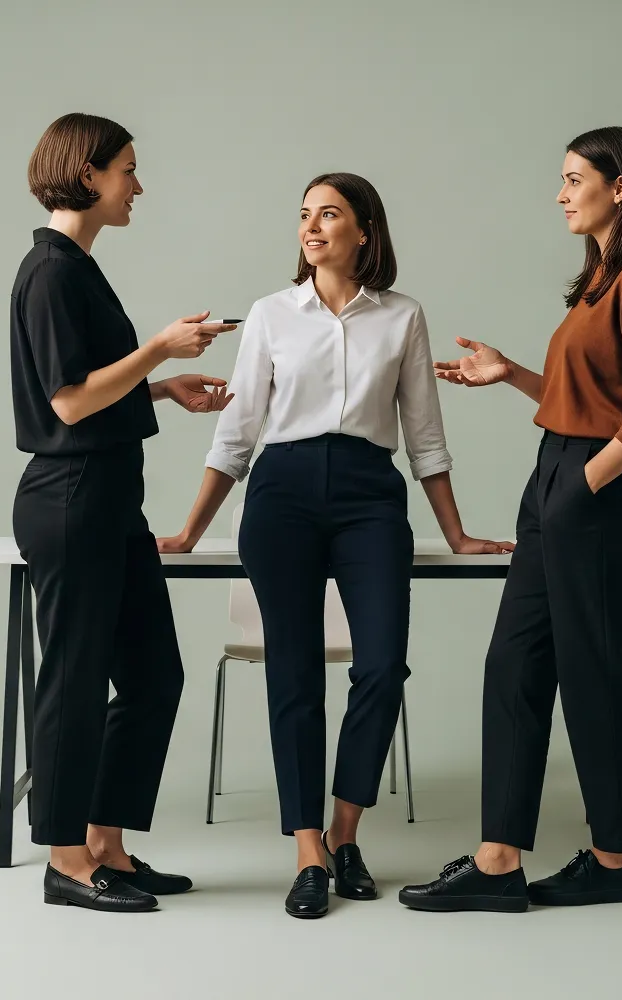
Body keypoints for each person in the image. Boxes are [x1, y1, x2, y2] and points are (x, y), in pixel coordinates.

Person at [157, 172, 512, 919]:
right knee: (293, 672)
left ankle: (347, 833)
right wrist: (191, 528)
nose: (312, 227)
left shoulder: (403, 317)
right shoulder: (269, 315)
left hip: (367, 495)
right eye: (305, 215)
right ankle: (308, 849)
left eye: (330, 214)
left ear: (365, 231)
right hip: (281, 492)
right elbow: (239, 430)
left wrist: (455, 531)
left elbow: (424, 436)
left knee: (382, 665)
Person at [400, 126, 622, 912]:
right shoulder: (599, 280)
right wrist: (512, 374)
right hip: (555, 477)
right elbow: (588, 399)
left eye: (572, 179)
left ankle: (614, 859)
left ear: (618, 186)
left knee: (595, 679)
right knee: (515, 667)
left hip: (598, 493)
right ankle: (498, 863)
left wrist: (583, 485)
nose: (560, 194)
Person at [10, 113, 238, 912]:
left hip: (107, 500)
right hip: (71, 499)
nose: (138, 185)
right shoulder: (50, 273)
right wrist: (159, 352)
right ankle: (67, 862)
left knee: (153, 676)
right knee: (72, 682)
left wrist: (160, 389)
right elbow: (68, 402)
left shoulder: (76, 267)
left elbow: (88, 386)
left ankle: (106, 844)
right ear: (87, 174)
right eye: (128, 170)